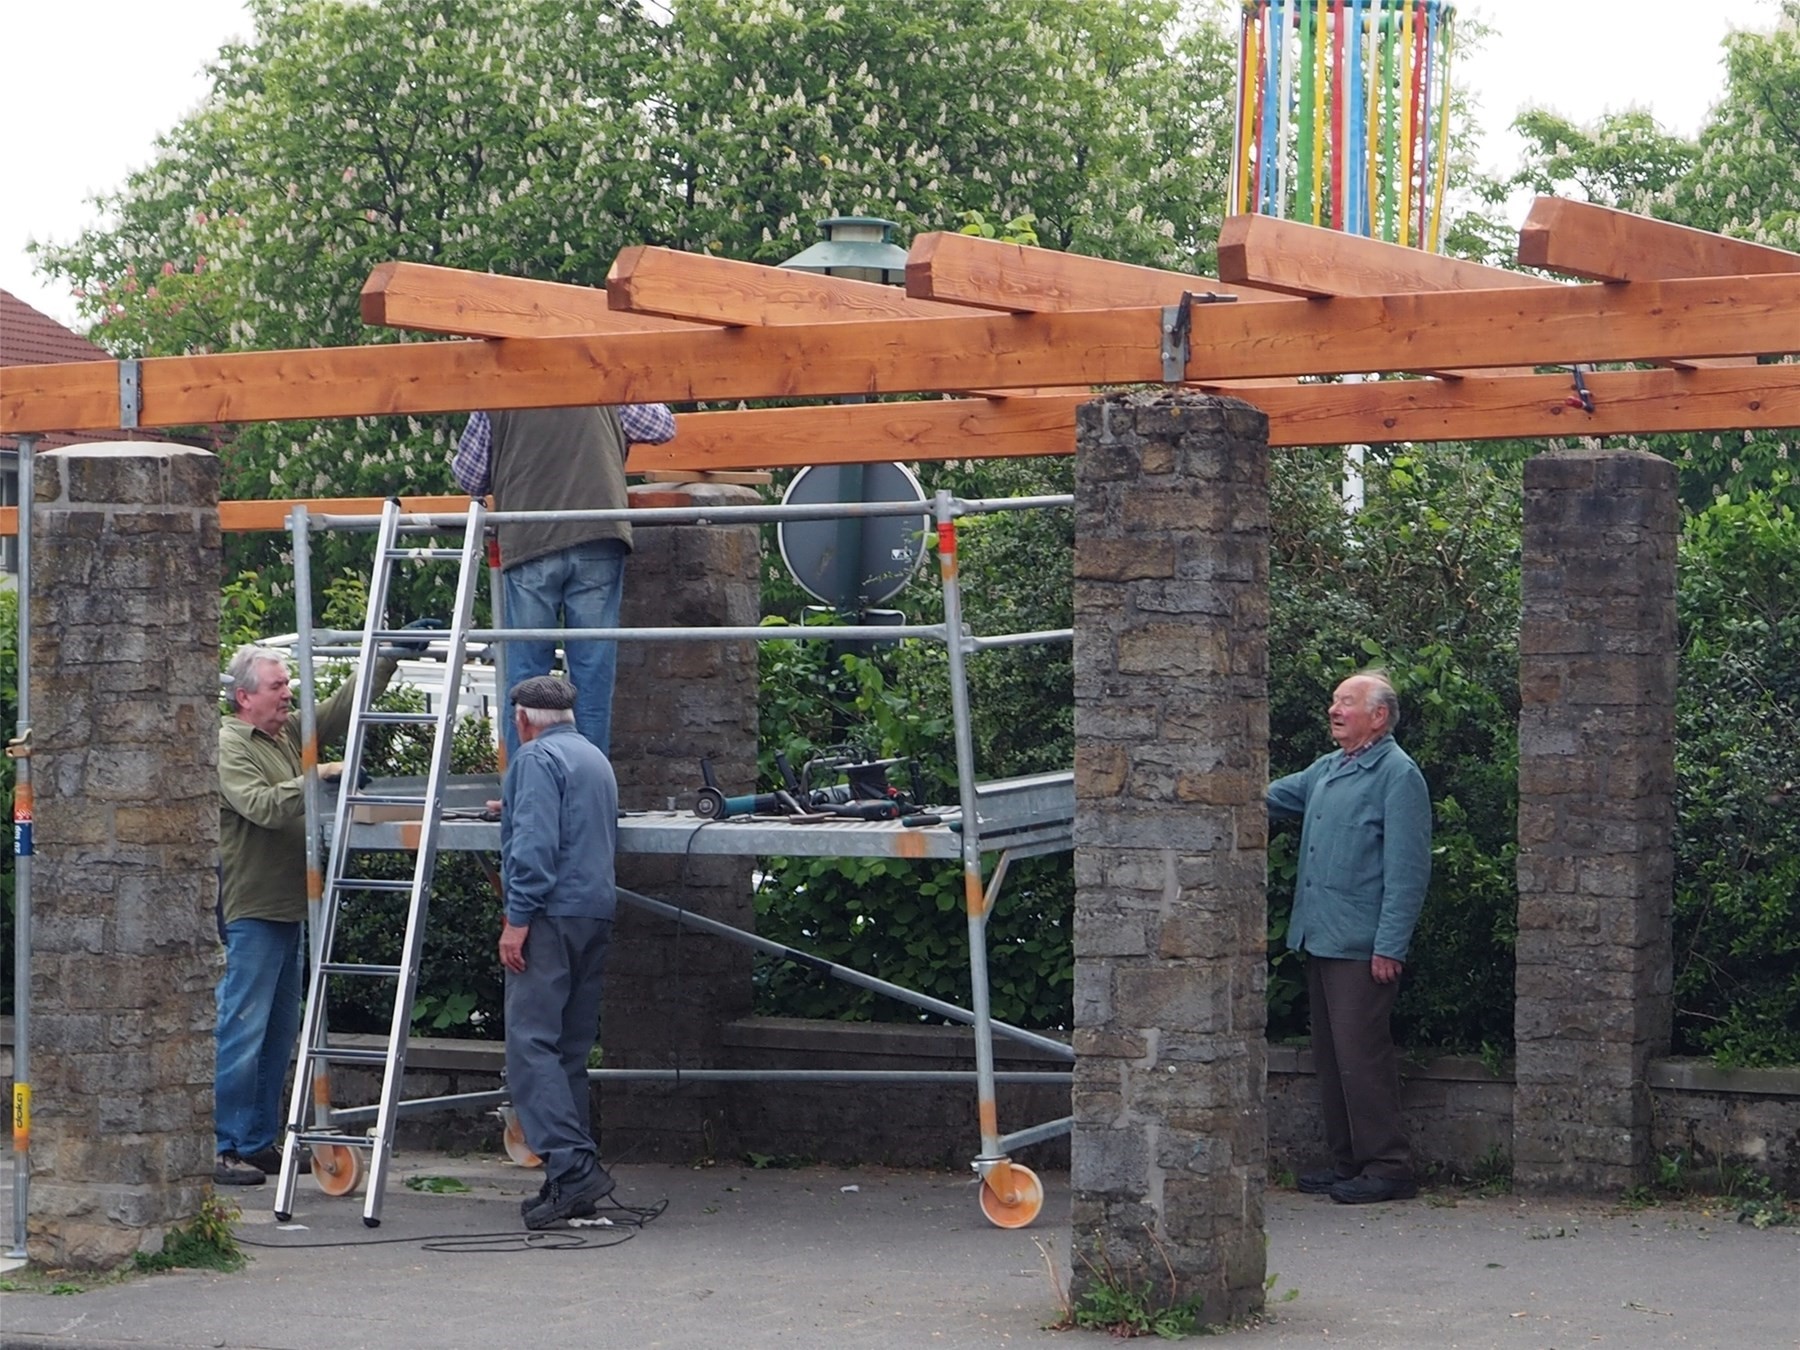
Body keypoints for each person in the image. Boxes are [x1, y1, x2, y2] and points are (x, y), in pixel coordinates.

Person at [214, 641, 402, 1186]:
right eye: (277, 686)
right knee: (242, 1031)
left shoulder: (286, 734)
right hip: (252, 908)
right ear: (244, 697)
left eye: (287, 685)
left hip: (290, 905)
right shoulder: (229, 745)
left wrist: (387, 658)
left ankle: (255, 1141)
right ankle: (220, 1145)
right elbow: (261, 806)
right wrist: (316, 777)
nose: (287, 694)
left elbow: (337, 710)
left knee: (277, 1035)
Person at [1267, 669, 1432, 1205]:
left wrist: (1390, 945)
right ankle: (1348, 1162)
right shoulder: (1329, 767)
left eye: (1346, 703)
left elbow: (1408, 871)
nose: (1334, 710)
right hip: (1320, 936)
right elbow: (1268, 797)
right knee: (1332, 1056)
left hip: (1362, 946)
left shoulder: (1398, 776)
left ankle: (1389, 1165)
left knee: (1361, 1058)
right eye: (1334, 701)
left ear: (1378, 717)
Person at [452, 400, 676, 762]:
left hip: (530, 539)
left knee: (526, 676)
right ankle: (587, 783)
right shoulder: (600, 379)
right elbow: (662, 426)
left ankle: (527, 781)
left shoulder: (498, 390)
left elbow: (470, 476)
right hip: (597, 536)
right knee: (592, 674)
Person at [497, 674, 621, 1230]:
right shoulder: (594, 758)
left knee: (531, 1045)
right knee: (570, 1050)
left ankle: (571, 1169)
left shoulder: (534, 760)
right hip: (594, 910)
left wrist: (517, 920)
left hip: (549, 915)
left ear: (523, 720)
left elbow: (534, 846)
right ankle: (573, 1181)